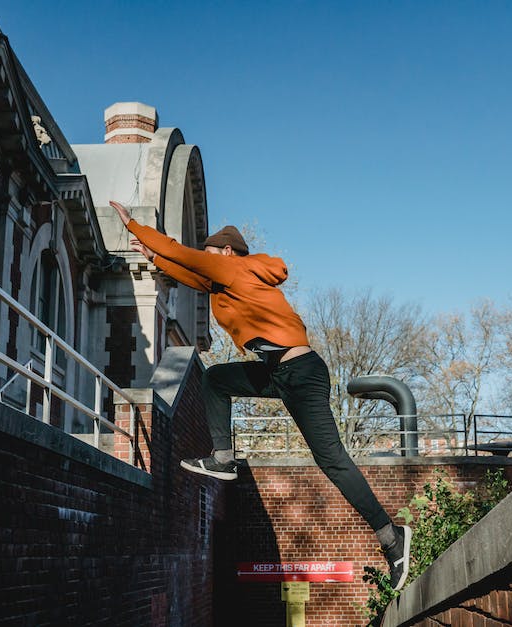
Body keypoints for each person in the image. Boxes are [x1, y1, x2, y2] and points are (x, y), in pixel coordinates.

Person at [109, 201, 412, 591]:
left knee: (332, 459)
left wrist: (135, 226)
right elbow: (188, 272)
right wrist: (154, 257)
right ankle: (223, 459)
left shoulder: (234, 267)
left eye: (211, 252)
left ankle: (390, 535)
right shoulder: (225, 281)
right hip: (277, 373)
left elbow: (185, 257)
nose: (206, 258)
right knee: (217, 380)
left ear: (227, 252)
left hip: (301, 373)